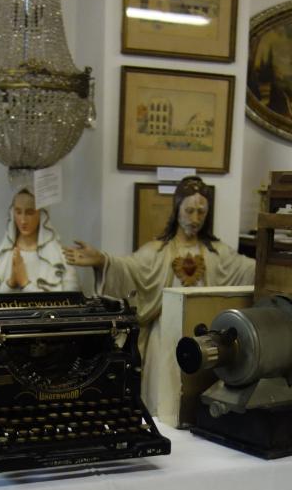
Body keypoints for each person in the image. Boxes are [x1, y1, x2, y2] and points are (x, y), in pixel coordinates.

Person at [62, 176, 254, 415]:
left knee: (199, 395)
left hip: (205, 335)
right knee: (163, 397)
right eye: (189, 210)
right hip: (165, 336)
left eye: (201, 212)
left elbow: (249, 269)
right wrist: (103, 261)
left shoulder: (218, 254)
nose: (195, 219)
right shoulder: (157, 252)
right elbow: (128, 268)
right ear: (177, 209)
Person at [0, 188, 80, 293]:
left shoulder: (58, 257)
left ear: (41, 215)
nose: (23, 220)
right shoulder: (0, 255)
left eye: (29, 213)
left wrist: (25, 283)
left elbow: (70, 297)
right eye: (18, 212)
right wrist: (11, 282)